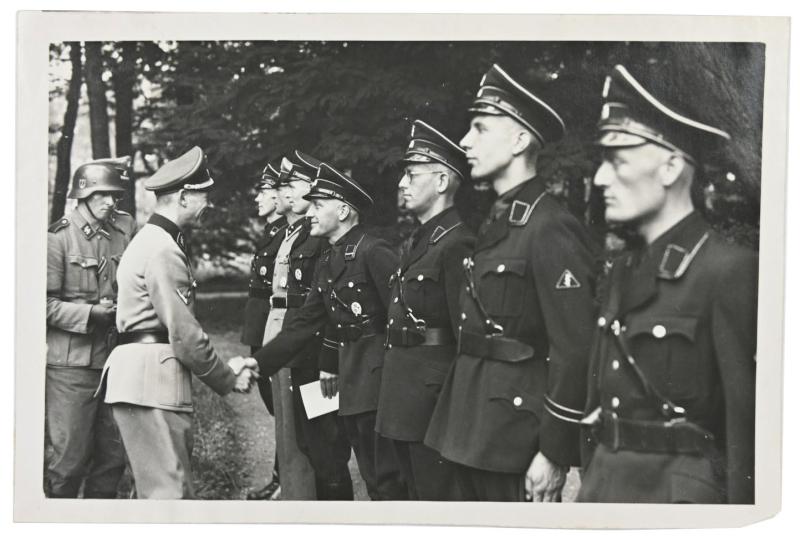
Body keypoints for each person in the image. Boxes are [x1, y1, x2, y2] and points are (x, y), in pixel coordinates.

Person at [577, 65, 757, 504]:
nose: (601, 178)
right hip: (605, 491)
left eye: (617, 160)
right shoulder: (625, 270)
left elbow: (747, 434)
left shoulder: (728, 272)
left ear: (671, 167)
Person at [424, 64, 600, 502]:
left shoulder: (550, 227)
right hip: (470, 425)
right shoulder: (499, 219)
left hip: (513, 437)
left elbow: (575, 347)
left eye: (480, 128)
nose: (465, 140)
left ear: (520, 140)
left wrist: (554, 452)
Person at [100, 146, 258, 499]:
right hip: (151, 386)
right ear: (184, 197)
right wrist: (228, 377)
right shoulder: (162, 249)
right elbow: (184, 334)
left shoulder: (152, 241)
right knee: (169, 497)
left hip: (139, 381)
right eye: (204, 195)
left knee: (152, 492)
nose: (208, 204)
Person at [251, 162, 408, 500]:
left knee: (388, 478)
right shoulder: (330, 259)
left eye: (319, 205)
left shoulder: (373, 251)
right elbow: (305, 323)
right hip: (351, 381)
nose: (312, 211)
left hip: (378, 383)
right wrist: (257, 365)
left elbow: (402, 318)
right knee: (370, 472)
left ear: (343, 210)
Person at [374, 120, 475, 500]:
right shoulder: (421, 239)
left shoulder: (457, 244)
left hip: (432, 403)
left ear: (442, 182)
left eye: (412, 174)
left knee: (436, 502)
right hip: (403, 392)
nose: (402, 183)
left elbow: (465, 338)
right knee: (405, 497)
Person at [45, 156, 136, 498]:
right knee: (68, 461)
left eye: (115, 196)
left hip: (113, 362)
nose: (111, 202)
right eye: (104, 195)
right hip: (71, 368)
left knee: (112, 459)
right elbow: (42, 306)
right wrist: (92, 315)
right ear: (83, 194)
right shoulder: (58, 238)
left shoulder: (120, 233)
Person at [265, 151, 354, 500]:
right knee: (310, 441)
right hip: (305, 356)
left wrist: (328, 359)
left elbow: (333, 306)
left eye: (297, 184)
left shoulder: (320, 238)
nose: (290, 192)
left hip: (321, 361)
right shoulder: (303, 234)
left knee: (327, 447)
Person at [242, 162, 288, 501]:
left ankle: (283, 476)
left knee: (283, 408)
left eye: (263, 191)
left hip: (274, 330)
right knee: (276, 408)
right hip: (261, 330)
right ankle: (283, 474)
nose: (258, 198)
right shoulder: (271, 233)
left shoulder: (286, 233)